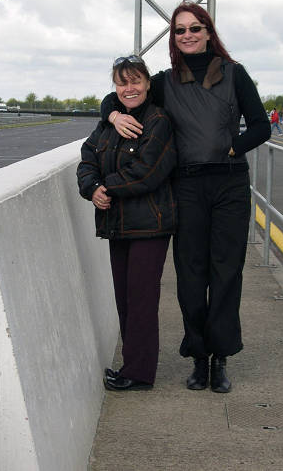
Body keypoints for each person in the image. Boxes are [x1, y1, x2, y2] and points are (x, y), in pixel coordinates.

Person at [101, 1, 270, 393]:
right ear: (173, 38)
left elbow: (261, 127)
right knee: (191, 274)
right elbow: (122, 96)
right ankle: (197, 357)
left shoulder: (234, 74)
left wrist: (231, 147)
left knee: (226, 273)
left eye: (195, 28)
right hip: (187, 187)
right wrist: (112, 115)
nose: (188, 35)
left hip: (229, 185)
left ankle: (220, 358)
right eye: (180, 30)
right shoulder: (163, 81)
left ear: (209, 32)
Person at [77, 56, 177, 391]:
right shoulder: (109, 121)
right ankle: (131, 366)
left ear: (148, 83)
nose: (129, 88)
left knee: (142, 299)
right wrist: (91, 188)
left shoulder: (158, 120)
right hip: (117, 224)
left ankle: (139, 372)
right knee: (125, 298)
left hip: (149, 224)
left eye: (135, 81)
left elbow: (149, 171)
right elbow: (88, 156)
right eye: (122, 83)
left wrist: (108, 188)